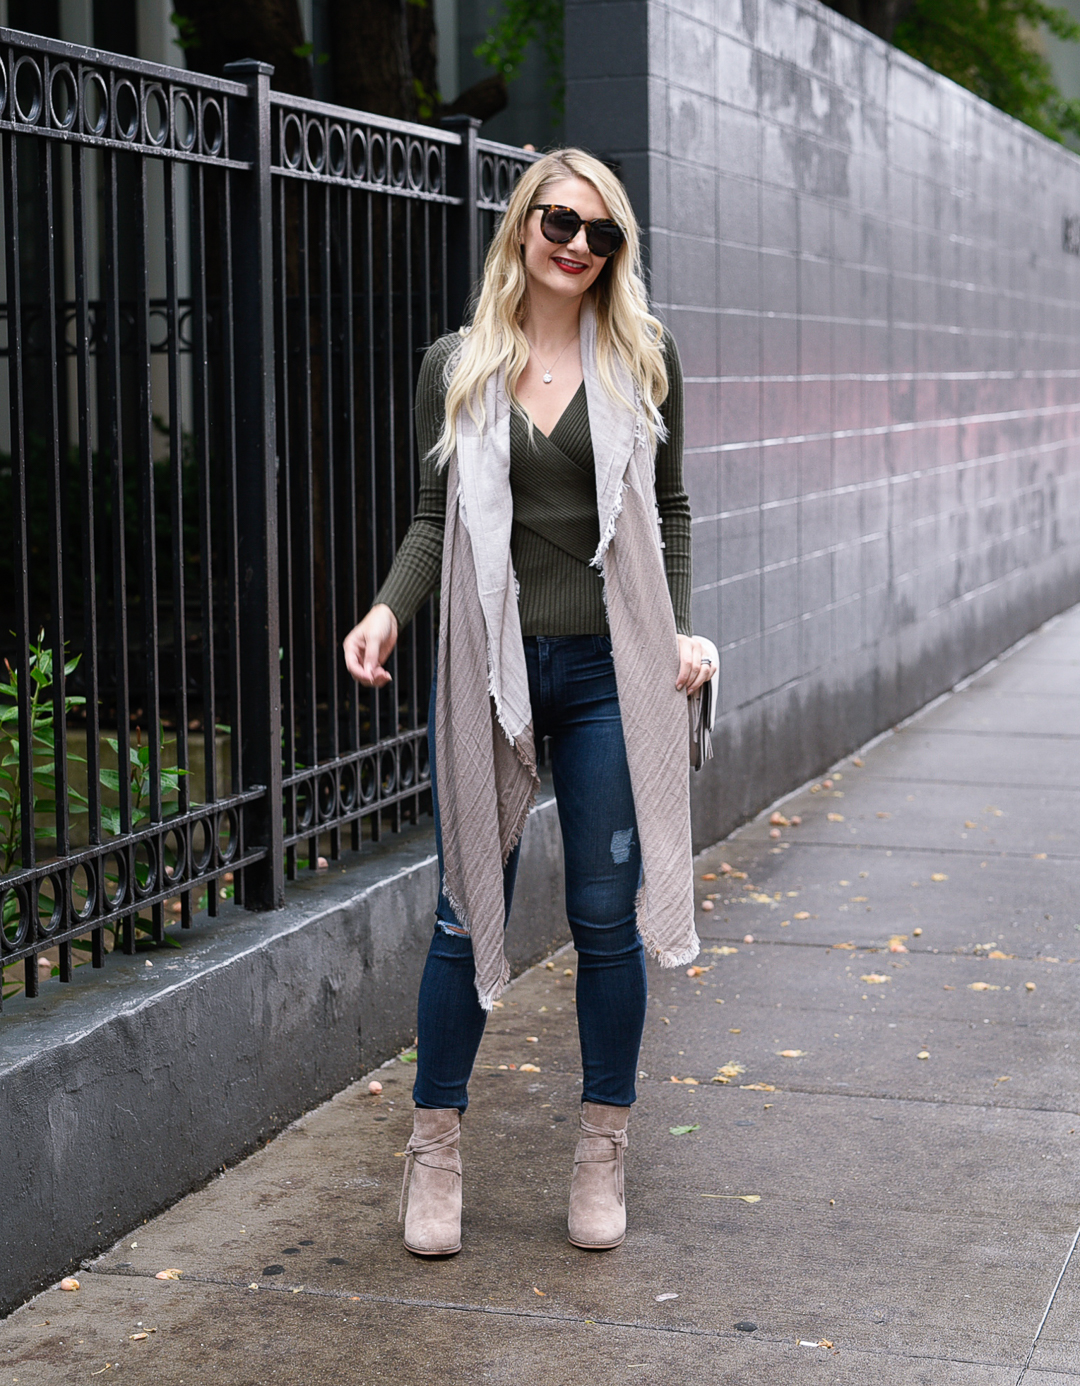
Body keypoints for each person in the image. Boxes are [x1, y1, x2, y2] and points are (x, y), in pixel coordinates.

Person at [343, 147, 714, 1258]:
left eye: (602, 235)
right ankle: (435, 1150)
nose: (577, 247)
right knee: (466, 915)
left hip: (611, 669)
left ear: (616, 255)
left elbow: (672, 510)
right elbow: (431, 518)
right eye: (561, 221)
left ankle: (602, 1151)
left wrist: (681, 628)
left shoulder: (645, 360)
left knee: (606, 921)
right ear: (522, 225)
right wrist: (387, 613)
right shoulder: (457, 366)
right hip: (487, 662)